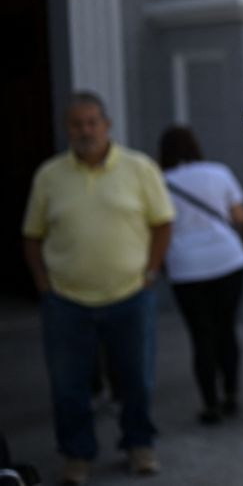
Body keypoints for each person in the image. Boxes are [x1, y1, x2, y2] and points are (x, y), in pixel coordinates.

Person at [22, 92, 173, 484]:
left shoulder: (139, 168)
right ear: (66, 129)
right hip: (66, 301)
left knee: (136, 379)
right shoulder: (49, 176)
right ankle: (77, 454)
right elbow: (32, 235)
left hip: (130, 296)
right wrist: (43, 284)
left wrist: (150, 273)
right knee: (69, 385)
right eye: (77, 124)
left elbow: (162, 223)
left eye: (92, 122)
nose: (85, 130)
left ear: (107, 125)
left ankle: (139, 445)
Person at [158, 126, 243, 425]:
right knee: (226, 330)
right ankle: (232, 396)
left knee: (201, 336)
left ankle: (210, 404)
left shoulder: (161, 182)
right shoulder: (218, 172)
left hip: (186, 267)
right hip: (228, 260)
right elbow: (240, 217)